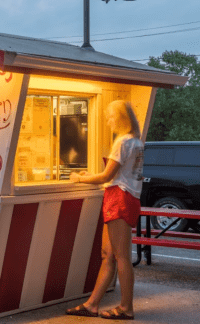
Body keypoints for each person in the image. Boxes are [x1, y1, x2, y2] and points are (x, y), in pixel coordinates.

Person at [65, 100, 144, 320]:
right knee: (108, 255)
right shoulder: (136, 141)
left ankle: (126, 308)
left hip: (118, 197)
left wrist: (79, 178)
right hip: (128, 198)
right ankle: (92, 304)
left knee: (120, 257)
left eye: (110, 116)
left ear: (120, 118)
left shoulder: (122, 142)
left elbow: (107, 176)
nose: (108, 121)